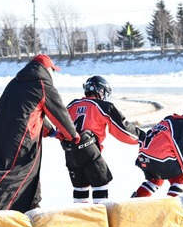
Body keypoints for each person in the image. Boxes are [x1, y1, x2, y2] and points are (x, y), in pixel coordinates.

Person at [0, 54, 80, 213]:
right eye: (53, 70)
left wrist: (52, 132)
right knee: (19, 173)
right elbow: (60, 114)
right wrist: (73, 136)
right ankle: (24, 211)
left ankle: (30, 207)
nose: (53, 74)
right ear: (47, 69)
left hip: (2, 131)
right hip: (22, 139)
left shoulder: (16, 82)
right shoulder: (43, 85)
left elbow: (31, 112)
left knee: (1, 164)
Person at [61, 75, 145, 203]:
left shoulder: (72, 104)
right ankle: (99, 218)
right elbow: (123, 129)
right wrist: (143, 137)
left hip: (70, 151)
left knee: (80, 188)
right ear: (101, 91)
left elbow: (59, 123)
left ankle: (79, 219)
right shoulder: (103, 106)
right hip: (88, 148)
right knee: (101, 182)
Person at [131, 98, 183, 198]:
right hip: (158, 158)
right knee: (180, 178)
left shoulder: (170, 118)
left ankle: (134, 202)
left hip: (143, 157)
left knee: (156, 180)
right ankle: (171, 209)